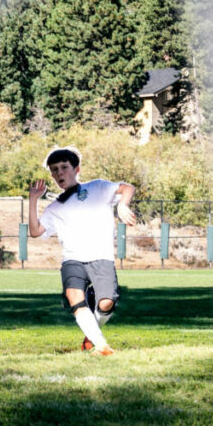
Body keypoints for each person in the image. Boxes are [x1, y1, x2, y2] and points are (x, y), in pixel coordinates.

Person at [28, 146, 136, 356]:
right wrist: (33, 199)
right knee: (74, 297)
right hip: (73, 260)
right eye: (54, 170)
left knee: (106, 303)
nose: (59, 173)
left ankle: (91, 335)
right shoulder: (55, 208)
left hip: (101, 257)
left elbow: (127, 188)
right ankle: (102, 346)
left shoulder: (97, 187)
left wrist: (122, 205)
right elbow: (35, 231)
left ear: (76, 169)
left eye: (64, 167)